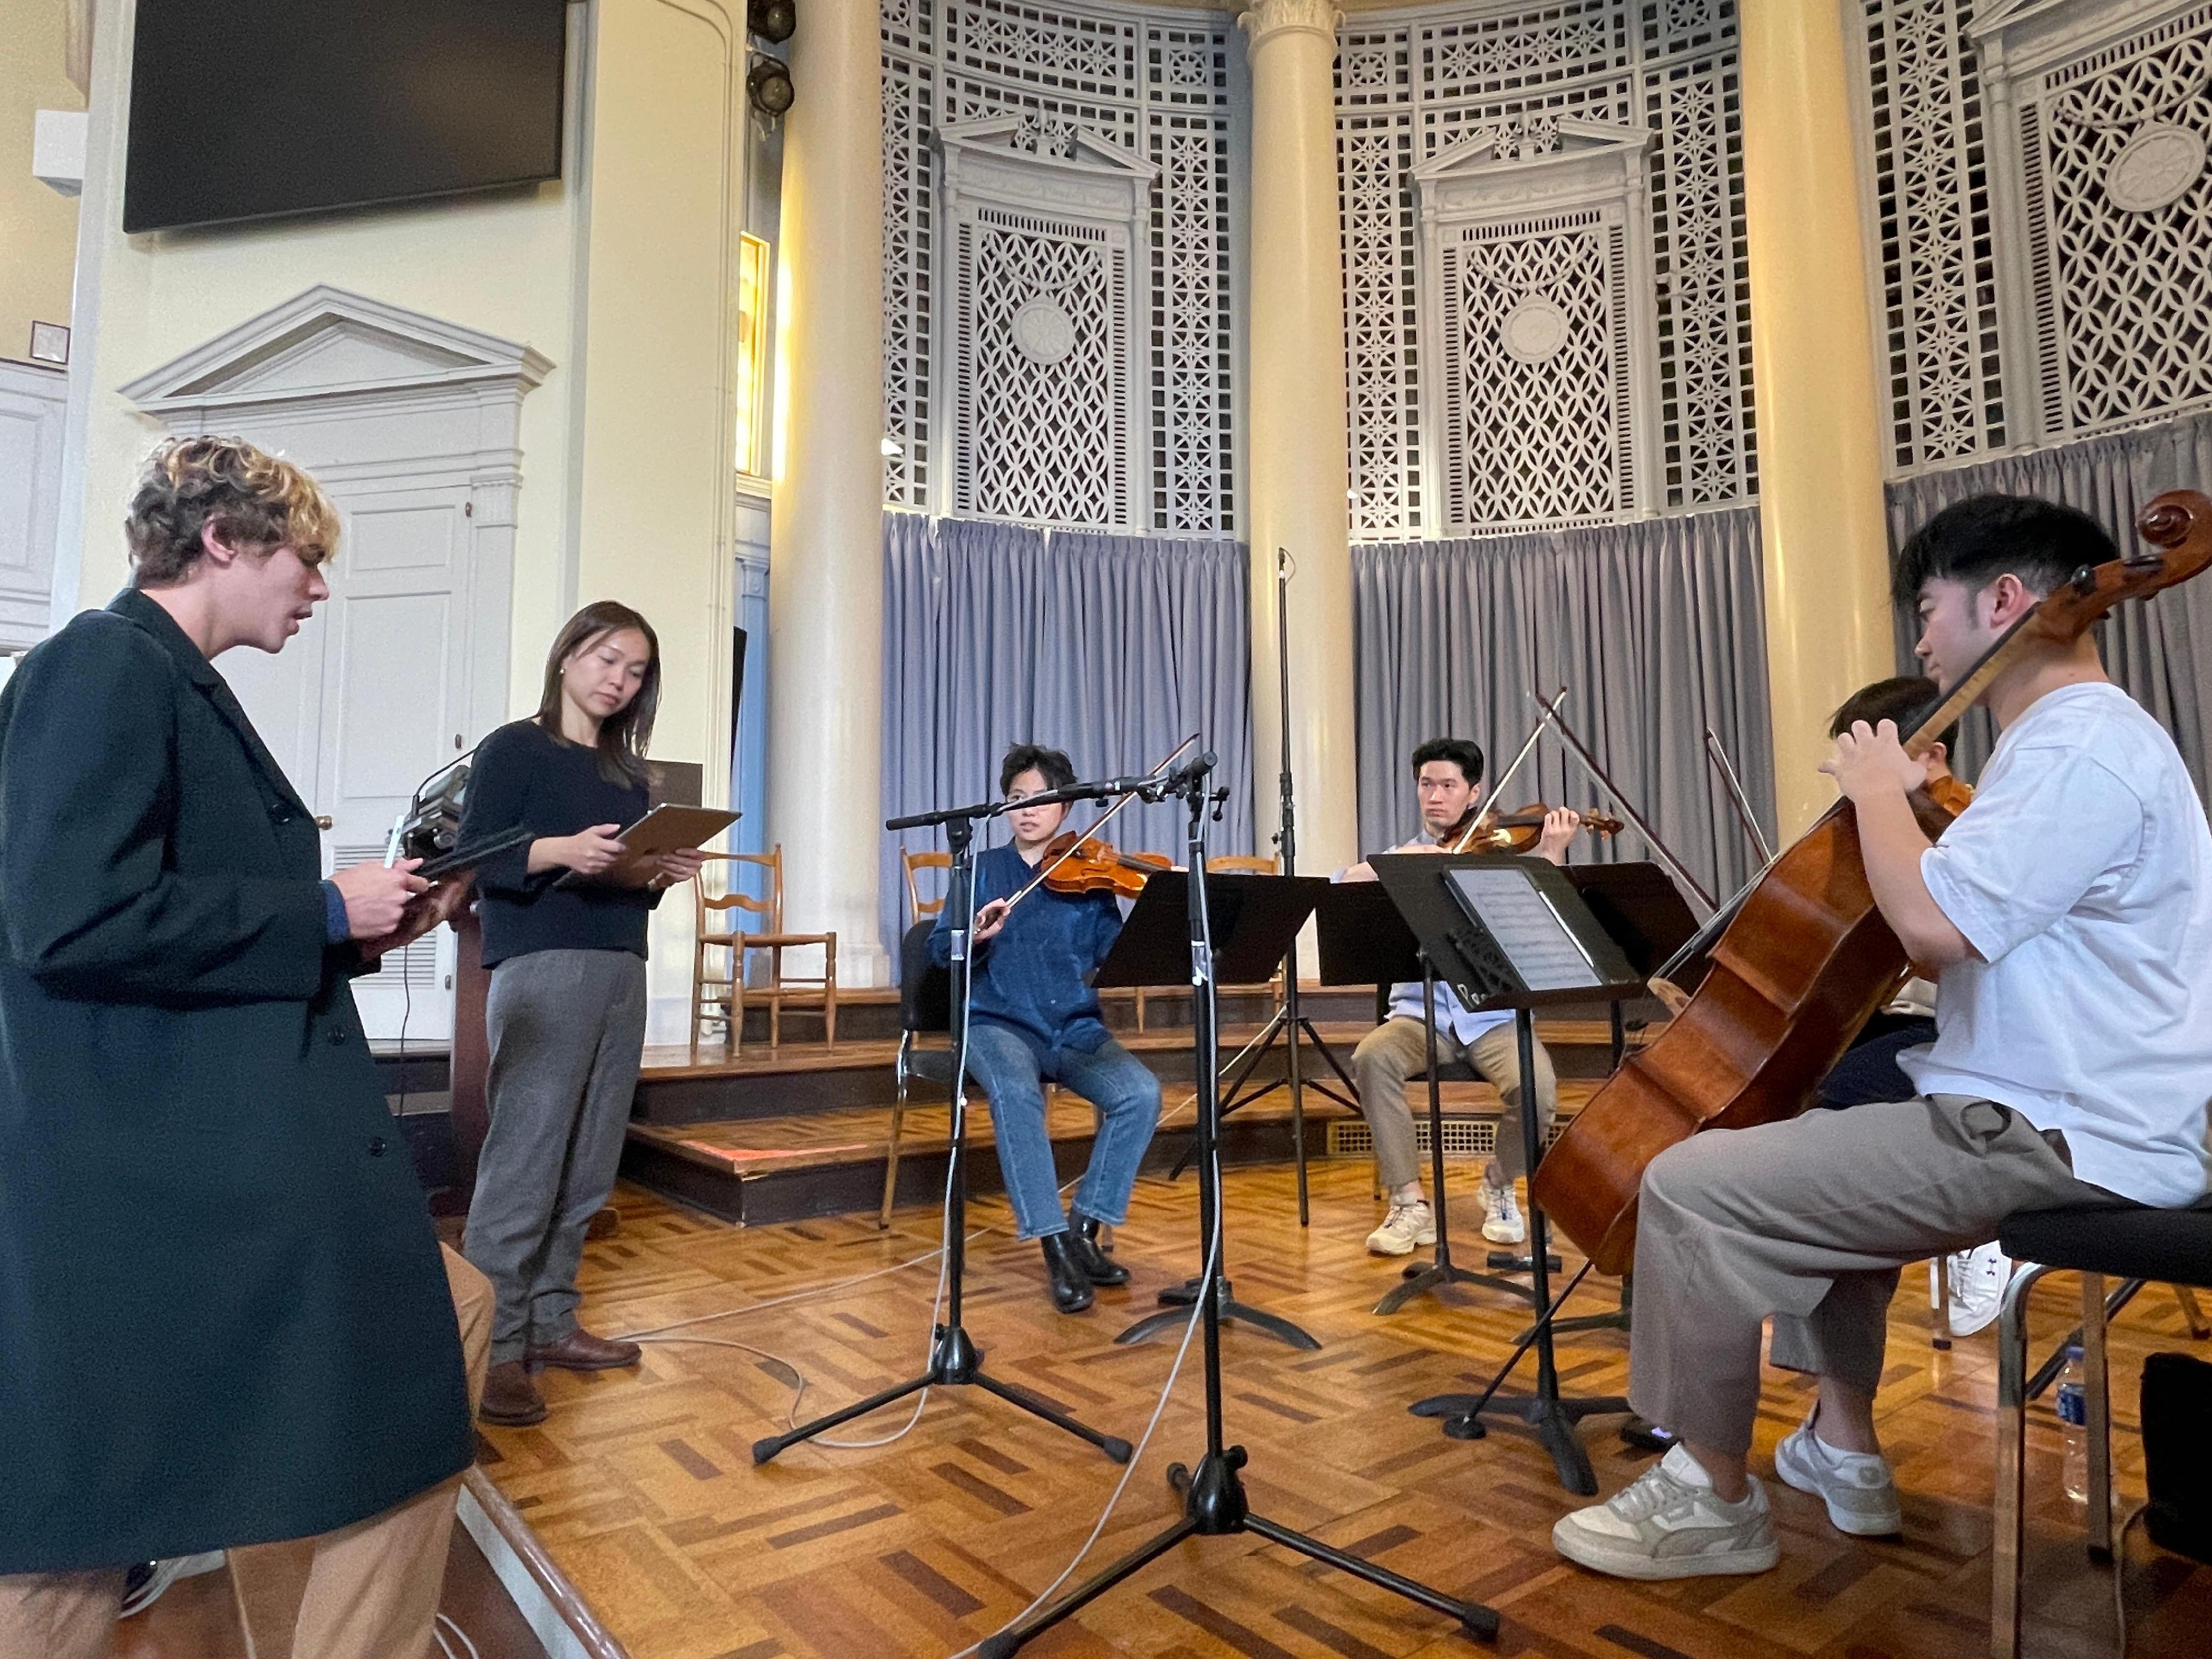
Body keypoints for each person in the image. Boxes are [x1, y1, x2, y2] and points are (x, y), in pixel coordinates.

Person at [1552, 493, 2212, 1582]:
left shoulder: (2077, 747)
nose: (1919, 641)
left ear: (2003, 601)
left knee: (1690, 1181)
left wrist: (1873, 798)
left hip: (2058, 1131)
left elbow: (1934, 928)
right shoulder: (2069, 744)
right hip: (2062, 1109)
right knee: (1842, 1128)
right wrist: (1916, 803)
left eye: (1928, 609)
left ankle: (1709, 1497)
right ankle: (1838, 1444)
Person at [0, 436, 492, 1658]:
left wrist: (367, 929)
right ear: (222, 539)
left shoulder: (156, 678)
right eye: (304, 559)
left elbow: (163, 921)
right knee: (86, 1512)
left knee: (375, 1382)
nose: (318, 590)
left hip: (195, 1146)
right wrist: (324, 910)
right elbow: (69, 917)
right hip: (166, 1163)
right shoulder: (102, 668)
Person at [458, 602, 707, 1427]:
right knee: (526, 1158)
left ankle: (552, 1323)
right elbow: (476, 855)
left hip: (618, 964)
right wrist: (563, 850)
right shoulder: (513, 748)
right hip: (542, 964)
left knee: (591, 1159)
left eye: (635, 672)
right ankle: (494, 1350)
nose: (619, 681)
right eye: (607, 660)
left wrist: (657, 871)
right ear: (567, 656)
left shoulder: (629, 776)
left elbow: (625, 879)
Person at [1811, 677, 2015, 1336]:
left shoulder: (1971, 826)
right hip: (1897, 1015)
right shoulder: (1887, 822)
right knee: (1802, 1080)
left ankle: (1980, 1220)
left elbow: (1948, 954)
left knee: (1835, 1103)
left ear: (1928, 756)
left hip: (1964, 1034)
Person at [929, 744, 1164, 1314]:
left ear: (1066, 807)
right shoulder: (981, 869)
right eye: (1015, 799)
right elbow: (940, 950)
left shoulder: (1090, 872)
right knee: (1015, 1092)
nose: (1027, 809)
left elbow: (1114, 956)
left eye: (1041, 799)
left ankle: (1085, 1229)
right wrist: (975, 937)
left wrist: (1162, 906)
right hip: (997, 1024)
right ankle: (1053, 1242)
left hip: (1072, 1028)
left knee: (1140, 1093)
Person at [1339, 737, 1580, 1255]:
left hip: (1492, 1015)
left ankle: (1499, 1182)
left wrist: (1552, 855)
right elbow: (1340, 884)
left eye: (1448, 785)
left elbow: (1547, 927)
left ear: (1474, 794)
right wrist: (1400, 863)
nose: (1435, 796)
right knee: (1371, 1056)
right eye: (1427, 784)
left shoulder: (1498, 856)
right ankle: (1409, 1204)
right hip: (1420, 1015)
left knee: (1537, 1089)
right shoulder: (1404, 858)